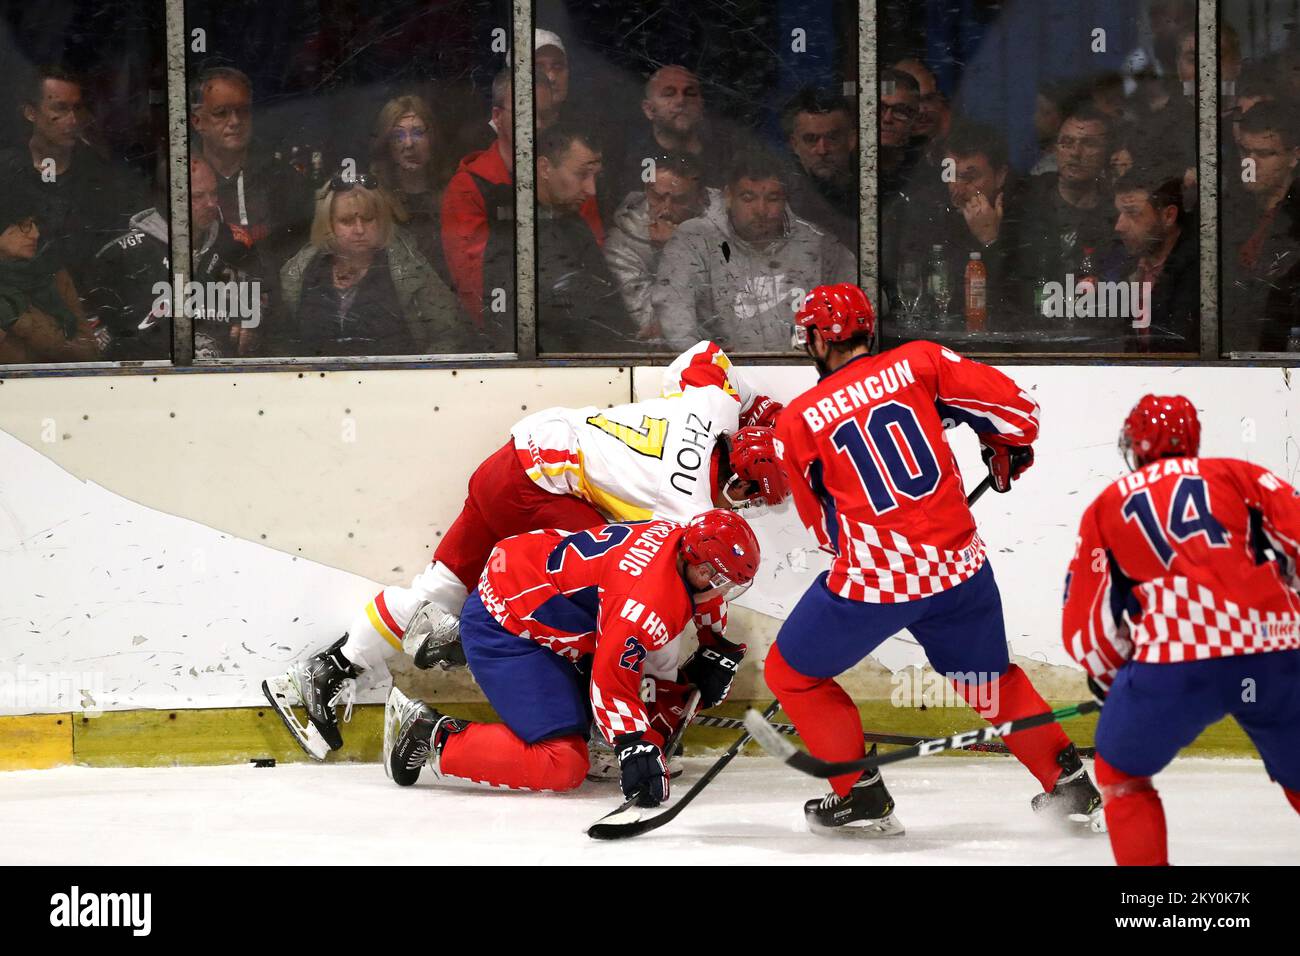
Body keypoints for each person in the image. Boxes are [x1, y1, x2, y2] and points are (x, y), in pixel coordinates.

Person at [262, 340, 787, 759]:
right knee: (615, 601)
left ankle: (328, 669)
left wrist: (755, 405)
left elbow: (703, 355)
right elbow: (675, 582)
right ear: (739, 484)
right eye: (754, 499)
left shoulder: (716, 407)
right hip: (541, 493)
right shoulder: (686, 507)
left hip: (512, 459)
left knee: (441, 586)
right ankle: (619, 727)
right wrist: (714, 638)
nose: (746, 510)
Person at [766, 283, 1102, 835]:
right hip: (961, 569)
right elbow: (1020, 413)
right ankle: (1069, 786)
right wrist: (1002, 446)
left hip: (876, 583)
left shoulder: (796, 421)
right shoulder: (919, 362)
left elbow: (825, 530)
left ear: (817, 340)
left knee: (791, 675)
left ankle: (861, 793)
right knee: (986, 677)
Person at [1062, 395, 1300, 865]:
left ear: (1135, 444)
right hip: (1275, 653)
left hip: (1176, 663)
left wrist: (1110, 679)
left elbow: (1089, 625)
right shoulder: (1242, 475)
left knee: (1120, 772)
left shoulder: (1109, 503)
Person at [384, 510, 759, 801]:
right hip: (506, 626)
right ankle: (427, 732)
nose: (722, 592)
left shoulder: (677, 536)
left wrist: (716, 643)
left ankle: (461, 640)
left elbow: (703, 594)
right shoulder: (644, 604)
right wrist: (632, 744)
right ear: (702, 567)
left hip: (529, 571)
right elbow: (610, 680)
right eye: (721, 581)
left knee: (644, 700)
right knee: (563, 763)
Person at [441, 71, 603, 347]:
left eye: (546, 115)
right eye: (527, 115)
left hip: (573, 333)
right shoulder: (470, 186)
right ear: (498, 116)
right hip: (501, 342)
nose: (538, 126)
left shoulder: (572, 181)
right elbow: (475, 289)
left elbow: (595, 267)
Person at [653, 151, 857, 351]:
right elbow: (675, 317)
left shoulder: (816, 243)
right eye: (748, 197)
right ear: (729, 197)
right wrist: (708, 364)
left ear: (785, 199)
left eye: (773, 198)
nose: (761, 210)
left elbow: (861, 301)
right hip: (722, 376)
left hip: (806, 372)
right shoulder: (695, 239)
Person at [83, 155, 266, 360]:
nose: (211, 203)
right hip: (148, 380)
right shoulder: (123, 253)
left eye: (214, 193)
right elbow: (90, 325)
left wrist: (252, 320)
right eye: (198, 196)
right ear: (167, 199)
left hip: (224, 378)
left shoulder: (237, 243)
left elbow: (265, 295)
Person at [271, 169, 462, 357]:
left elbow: (449, 334)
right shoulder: (299, 273)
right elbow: (279, 341)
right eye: (346, 221)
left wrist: (419, 377)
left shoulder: (409, 268)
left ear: (382, 221)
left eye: (368, 219)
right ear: (328, 223)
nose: (359, 229)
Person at [0, 65, 142, 294]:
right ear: (31, 112)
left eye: (76, 108)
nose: (73, 120)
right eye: (60, 109)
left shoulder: (102, 175)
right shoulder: (6, 172)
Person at [188, 66, 315, 269]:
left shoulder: (286, 181)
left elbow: (300, 258)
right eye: (221, 113)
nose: (235, 121)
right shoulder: (177, 179)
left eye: (243, 111)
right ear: (197, 121)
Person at [534, 122, 639, 351]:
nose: (591, 190)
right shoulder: (513, 229)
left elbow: (605, 302)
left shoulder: (574, 223)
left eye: (594, 177)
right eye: (582, 174)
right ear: (544, 168)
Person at [604, 152, 719, 340]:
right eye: (657, 197)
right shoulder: (622, 244)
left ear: (700, 197)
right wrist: (672, 254)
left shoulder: (728, 219)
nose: (665, 209)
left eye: (679, 200)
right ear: (646, 190)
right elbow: (655, 324)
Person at [1014, 105, 1119, 294]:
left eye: (1089, 144)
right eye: (1067, 142)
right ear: (1056, 149)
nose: (1075, 153)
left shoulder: (1117, 214)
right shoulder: (1025, 198)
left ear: (1107, 154)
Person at [1222, 102, 1300, 351]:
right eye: (1245, 152)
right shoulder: (1229, 213)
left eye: (1265, 154)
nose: (1251, 164)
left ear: (1294, 156)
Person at [606, 65, 732, 213]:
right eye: (669, 94)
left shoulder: (727, 157)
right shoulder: (627, 162)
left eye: (690, 93)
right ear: (648, 109)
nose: (681, 100)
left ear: (701, 105)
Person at [0, 185, 102, 365]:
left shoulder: (52, 273)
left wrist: (24, 323)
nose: (35, 234)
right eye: (25, 225)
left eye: (35, 224)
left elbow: (89, 355)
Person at [1110, 171, 1197, 351]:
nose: (1119, 226)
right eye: (1118, 214)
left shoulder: (1199, 272)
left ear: (1168, 216)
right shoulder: (1129, 268)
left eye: (1132, 213)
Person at [369, 94, 448, 283]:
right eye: (397, 136)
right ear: (386, 144)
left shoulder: (455, 193)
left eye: (418, 133)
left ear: (432, 137)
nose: (409, 144)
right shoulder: (373, 199)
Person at [780, 88, 858, 250]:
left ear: (851, 140)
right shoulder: (780, 198)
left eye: (832, 138)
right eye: (811, 139)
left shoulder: (873, 190)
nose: (822, 150)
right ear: (794, 144)